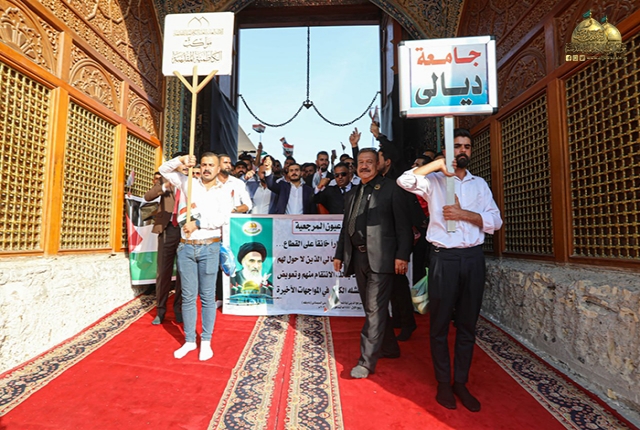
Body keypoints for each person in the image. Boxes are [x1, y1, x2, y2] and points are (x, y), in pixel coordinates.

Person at [396, 128, 502, 412]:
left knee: (467, 325)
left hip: (473, 259)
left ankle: (461, 383)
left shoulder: (479, 184)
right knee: (440, 324)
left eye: (467, 146)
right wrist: (437, 165)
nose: (462, 150)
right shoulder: (433, 181)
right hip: (444, 259)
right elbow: (404, 180)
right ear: (447, 150)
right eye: (457, 146)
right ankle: (443, 382)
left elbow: (495, 221)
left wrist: (463, 214)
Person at [333, 148, 412, 379]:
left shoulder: (392, 189)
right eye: (360, 162)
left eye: (369, 161)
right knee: (374, 308)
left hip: (383, 258)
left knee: (374, 309)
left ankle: (366, 362)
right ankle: (389, 347)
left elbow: (403, 226)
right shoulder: (353, 193)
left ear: (379, 164)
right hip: (358, 257)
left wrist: (402, 256)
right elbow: (345, 227)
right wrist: (339, 254)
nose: (364, 166)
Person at [159, 152, 233, 361]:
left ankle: (206, 341)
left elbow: (223, 218)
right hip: (186, 248)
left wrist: (199, 224)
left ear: (218, 168)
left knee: (208, 297)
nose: (207, 168)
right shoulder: (188, 183)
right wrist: (181, 160)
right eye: (204, 164)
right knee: (188, 296)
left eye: (211, 165)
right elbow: (163, 170)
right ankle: (190, 340)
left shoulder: (224, 191)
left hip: (209, 247)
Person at [144, 171, 183, 325]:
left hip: (185, 230)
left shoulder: (193, 180)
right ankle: (160, 311)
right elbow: (148, 196)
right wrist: (165, 185)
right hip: (167, 229)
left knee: (183, 272)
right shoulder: (166, 178)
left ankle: (178, 309)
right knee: (163, 272)